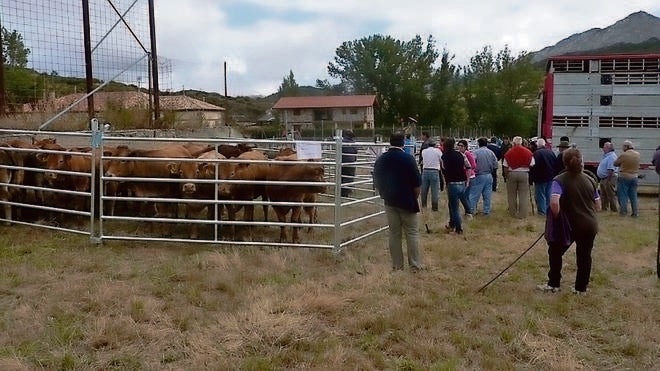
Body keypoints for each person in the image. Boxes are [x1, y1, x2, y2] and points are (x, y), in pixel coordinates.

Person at [538, 148, 601, 295]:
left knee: (555, 252)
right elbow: (598, 206)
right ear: (581, 161)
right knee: (584, 256)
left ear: (564, 162)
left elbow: (554, 202)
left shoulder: (559, 180)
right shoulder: (591, 179)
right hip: (589, 225)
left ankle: (554, 284)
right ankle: (581, 288)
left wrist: (557, 216)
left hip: (569, 226)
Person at [373, 132, 423, 271]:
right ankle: (414, 265)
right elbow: (417, 183)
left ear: (390, 142)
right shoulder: (408, 159)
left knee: (394, 233)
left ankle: (397, 266)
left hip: (389, 200)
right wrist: (414, 197)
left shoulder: (382, 159)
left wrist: (384, 193)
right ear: (403, 143)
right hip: (407, 200)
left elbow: (376, 180)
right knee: (411, 233)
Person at [441, 138, 470, 234]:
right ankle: (452, 223)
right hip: (462, 182)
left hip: (452, 183)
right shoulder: (460, 155)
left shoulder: (444, 156)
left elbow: (443, 169)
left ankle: (458, 229)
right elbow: (468, 166)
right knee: (452, 205)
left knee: (454, 207)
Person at [503, 136, 535, 219]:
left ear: (513, 143)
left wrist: (506, 176)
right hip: (524, 173)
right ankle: (522, 214)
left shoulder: (509, 152)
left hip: (512, 173)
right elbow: (532, 164)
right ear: (521, 143)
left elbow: (505, 166)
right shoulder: (528, 152)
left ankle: (513, 213)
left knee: (511, 195)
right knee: (523, 195)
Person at [469, 138, 498, 216]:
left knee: (474, 194)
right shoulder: (491, 152)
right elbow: (496, 164)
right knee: (487, 195)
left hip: (479, 175)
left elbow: (472, 163)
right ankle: (486, 211)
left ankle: (471, 210)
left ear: (479, 144)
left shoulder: (476, 152)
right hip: (489, 175)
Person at [529, 138, 557, 216]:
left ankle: (542, 212)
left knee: (540, 195)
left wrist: (531, 178)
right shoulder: (551, 152)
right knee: (548, 194)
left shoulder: (536, 153)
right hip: (550, 177)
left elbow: (533, 166)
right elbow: (555, 164)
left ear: (537, 145)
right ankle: (548, 211)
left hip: (540, 177)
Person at [613, 140, 641, 217]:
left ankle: (623, 212)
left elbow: (615, 163)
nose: (622, 148)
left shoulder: (624, 155)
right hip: (634, 177)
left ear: (626, 146)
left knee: (623, 195)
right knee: (633, 196)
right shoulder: (638, 154)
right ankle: (635, 213)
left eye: (623, 146)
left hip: (624, 177)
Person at [420, 139, 443, 211]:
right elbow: (441, 160)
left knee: (424, 190)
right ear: (434, 144)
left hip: (425, 170)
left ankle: (424, 206)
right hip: (435, 171)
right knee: (434, 191)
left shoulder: (424, 151)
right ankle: (434, 208)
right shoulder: (438, 151)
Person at [596, 142, 618, 212]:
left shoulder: (611, 157)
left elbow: (611, 170)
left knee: (610, 194)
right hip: (604, 178)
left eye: (605, 147)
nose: (603, 148)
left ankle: (614, 209)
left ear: (609, 148)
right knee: (603, 194)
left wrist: (608, 181)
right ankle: (604, 208)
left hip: (609, 177)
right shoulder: (606, 156)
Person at [457, 139, 476, 219]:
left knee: (465, 196)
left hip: (470, 177)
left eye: (462, 146)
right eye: (459, 146)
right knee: (465, 196)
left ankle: (469, 211)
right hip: (464, 177)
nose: (460, 147)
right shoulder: (460, 154)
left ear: (465, 147)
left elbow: (473, 165)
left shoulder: (467, 154)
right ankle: (468, 211)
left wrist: (466, 168)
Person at [340, 130, 358, 197]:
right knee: (349, 177)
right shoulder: (353, 143)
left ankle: (341, 190)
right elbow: (356, 152)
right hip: (350, 162)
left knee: (342, 177)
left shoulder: (341, 142)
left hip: (342, 162)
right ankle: (346, 192)